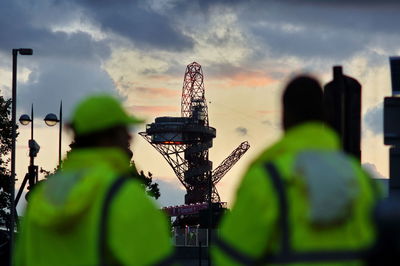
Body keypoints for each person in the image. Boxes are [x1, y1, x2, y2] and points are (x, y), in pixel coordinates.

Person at [212, 76, 379, 265]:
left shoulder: (267, 179)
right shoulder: (361, 179)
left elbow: (228, 257)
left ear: (284, 117)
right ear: (325, 115)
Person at [15, 94, 174, 266]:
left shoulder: (41, 197)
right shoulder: (124, 196)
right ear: (108, 138)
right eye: (123, 131)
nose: (129, 138)